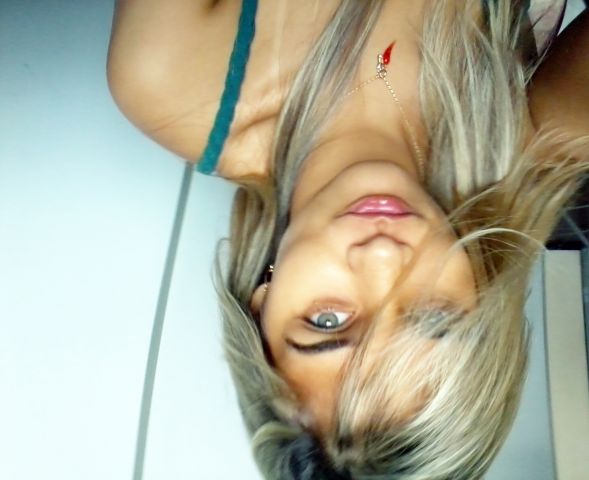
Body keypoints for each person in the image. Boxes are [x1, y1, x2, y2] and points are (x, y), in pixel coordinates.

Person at [107, 0, 589, 478]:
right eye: (433, 316)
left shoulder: (172, 78)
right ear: (481, 300)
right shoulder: (533, 138)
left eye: (327, 321)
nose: (382, 257)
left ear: (262, 306)